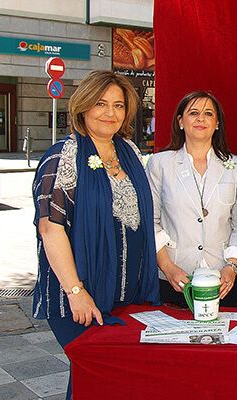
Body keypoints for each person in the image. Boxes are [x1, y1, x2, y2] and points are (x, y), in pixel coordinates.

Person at [32, 70, 160, 397]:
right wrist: (76, 291)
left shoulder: (129, 152)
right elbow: (50, 228)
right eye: (100, 103)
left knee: (105, 382)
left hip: (126, 295)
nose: (110, 113)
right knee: (96, 375)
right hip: (78, 296)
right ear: (83, 106)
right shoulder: (62, 156)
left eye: (118, 105)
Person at [146, 91, 237, 307]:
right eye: (193, 113)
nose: (201, 118)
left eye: (208, 113)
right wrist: (167, 267)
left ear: (217, 124)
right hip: (174, 277)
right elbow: (150, 221)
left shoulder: (236, 166)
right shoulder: (160, 164)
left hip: (223, 279)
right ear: (180, 121)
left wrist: (232, 266)